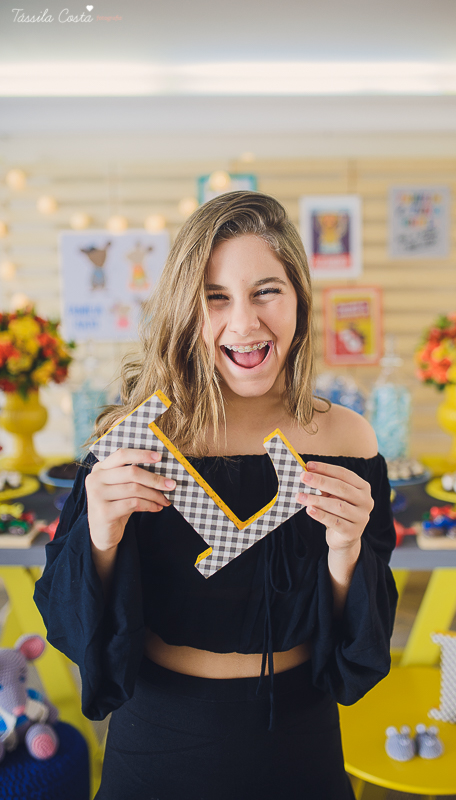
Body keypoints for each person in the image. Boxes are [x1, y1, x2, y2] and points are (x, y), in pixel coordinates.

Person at [34, 191, 398, 800]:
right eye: (215, 297)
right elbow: (73, 626)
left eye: (266, 291)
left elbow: (361, 643)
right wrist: (100, 538)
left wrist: (346, 553)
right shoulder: (137, 441)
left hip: (299, 736)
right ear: (186, 309)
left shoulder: (348, 439)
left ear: (300, 299)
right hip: (158, 735)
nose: (245, 323)